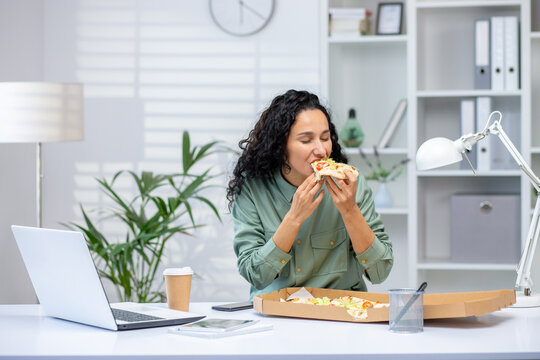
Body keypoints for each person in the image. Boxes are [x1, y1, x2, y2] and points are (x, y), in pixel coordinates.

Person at [226, 89, 393, 299]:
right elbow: (255, 274)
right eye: (306, 141)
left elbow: (381, 271)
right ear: (280, 147)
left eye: (325, 138)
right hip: (278, 313)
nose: (321, 150)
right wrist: (294, 218)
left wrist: (350, 211)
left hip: (341, 313)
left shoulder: (352, 185)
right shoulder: (253, 188)